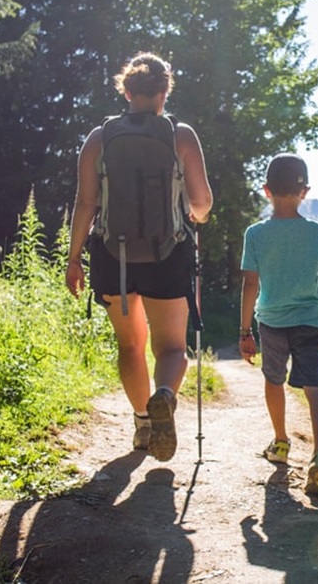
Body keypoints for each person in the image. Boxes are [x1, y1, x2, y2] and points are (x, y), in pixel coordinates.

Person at [65, 52, 213, 462]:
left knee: (130, 346)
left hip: (114, 256)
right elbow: (202, 203)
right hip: (168, 253)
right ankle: (164, 395)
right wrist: (193, 215)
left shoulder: (100, 138)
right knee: (171, 349)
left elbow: (85, 204)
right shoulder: (179, 135)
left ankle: (144, 423)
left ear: (126, 92)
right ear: (164, 92)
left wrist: (74, 258)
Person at [238, 153, 318, 496]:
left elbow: (250, 284)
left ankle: (281, 443)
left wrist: (244, 331)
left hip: (271, 321)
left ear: (266, 190)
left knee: (273, 379)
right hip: (311, 321)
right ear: (305, 191)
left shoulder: (255, 234)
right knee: (316, 387)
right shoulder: (317, 233)